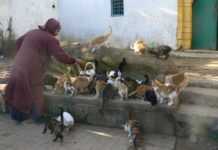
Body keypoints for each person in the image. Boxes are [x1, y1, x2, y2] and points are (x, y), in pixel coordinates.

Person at [5, 18, 82, 123]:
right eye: (57, 30)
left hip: (18, 63)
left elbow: (18, 41)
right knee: (37, 89)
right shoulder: (50, 39)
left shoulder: (33, 32)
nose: (57, 32)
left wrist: (22, 53)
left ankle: (17, 116)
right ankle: (37, 117)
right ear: (52, 29)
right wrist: (73, 61)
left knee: (19, 87)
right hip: (32, 67)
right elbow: (60, 56)